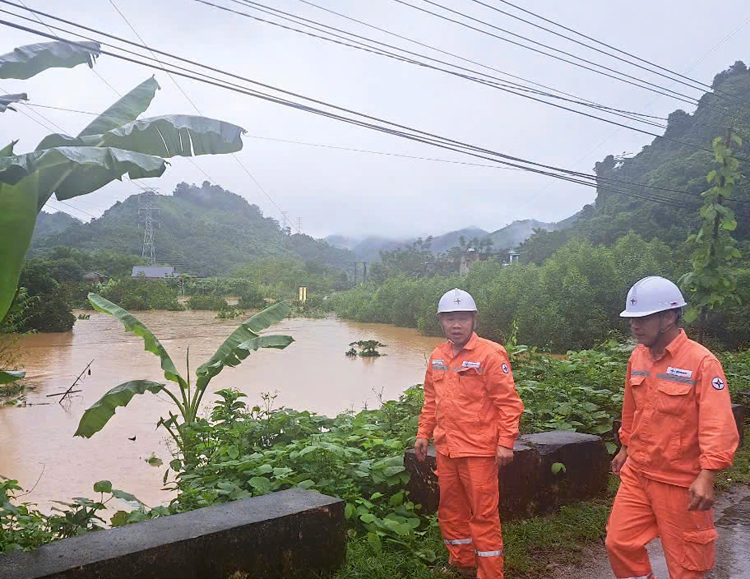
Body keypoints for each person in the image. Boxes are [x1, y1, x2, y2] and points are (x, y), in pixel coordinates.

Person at [606, 276, 739, 579]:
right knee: (619, 542)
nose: (634, 326)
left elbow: (718, 424)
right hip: (639, 474)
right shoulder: (638, 355)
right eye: (632, 319)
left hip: (680, 482)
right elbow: (632, 409)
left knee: (687, 566)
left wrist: (707, 476)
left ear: (668, 317)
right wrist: (625, 446)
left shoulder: (702, 362)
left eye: (642, 318)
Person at [414, 288, 524, 579]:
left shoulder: (490, 354)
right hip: (447, 448)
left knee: (483, 515)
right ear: (441, 322)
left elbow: (508, 403)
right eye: (450, 319)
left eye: (462, 318)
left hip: (479, 450)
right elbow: (430, 400)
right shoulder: (438, 356)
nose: (456, 325)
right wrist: (423, 433)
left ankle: (490, 573)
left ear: (474, 320)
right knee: (450, 509)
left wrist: (506, 443)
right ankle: (462, 561)